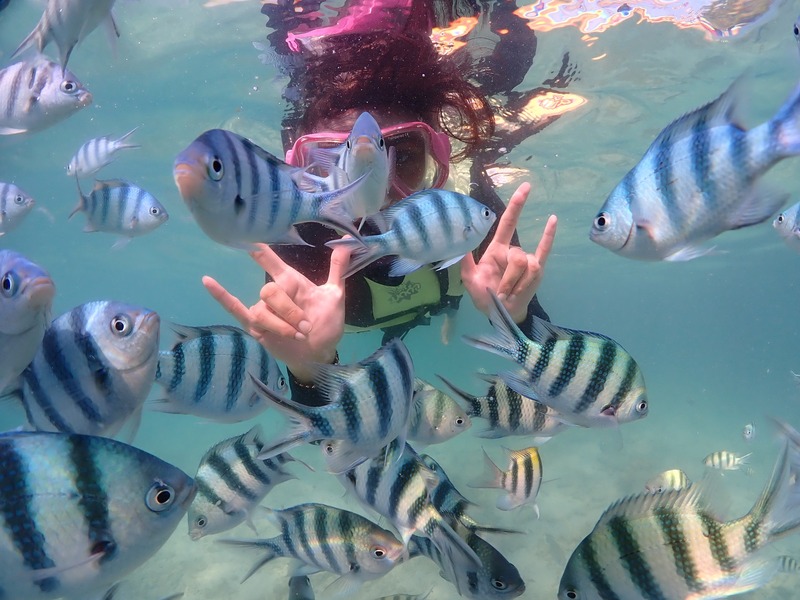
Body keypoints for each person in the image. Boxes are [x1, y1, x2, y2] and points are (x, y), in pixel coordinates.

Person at [202, 0, 579, 404]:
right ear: (303, 165)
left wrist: (517, 318)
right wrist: (309, 366)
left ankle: (438, 316)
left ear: (437, 151)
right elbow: (323, 421)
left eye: (404, 156)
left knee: (435, 309)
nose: (375, 191)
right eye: (338, 162)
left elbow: (556, 381)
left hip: (434, 302)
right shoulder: (294, 243)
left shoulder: (470, 212)